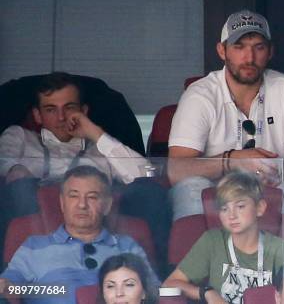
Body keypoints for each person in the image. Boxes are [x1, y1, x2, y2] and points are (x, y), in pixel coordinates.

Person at [167, 9, 284, 220]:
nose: (249, 58)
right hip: (216, 192)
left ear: (270, 51)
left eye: (258, 47)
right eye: (239, 47)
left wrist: (282, 168)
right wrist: (232, 161)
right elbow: (176, 170)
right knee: (191, 188)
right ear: (222, 51)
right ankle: (202, 253)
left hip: (267, 188)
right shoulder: (199, 94)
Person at [0, 72, 170, 264]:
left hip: (100, 232)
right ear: (37, 115)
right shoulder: (20, 137)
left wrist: (94, 132)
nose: (61, 117)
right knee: (19, 187)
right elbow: (5, 165)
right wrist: (18, 172)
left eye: (69, 108)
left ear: (84, 111)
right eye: (50, 109)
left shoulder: (101, 148)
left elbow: (145, 174)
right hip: (37, 237)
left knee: (151, 192)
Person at [0, 166, 158, 304]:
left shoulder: (127, 246)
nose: (82, 205)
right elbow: (9, 288)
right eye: (74, 196)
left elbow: (154, 293)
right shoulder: (33, 246)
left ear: (107, 205)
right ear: (62, 203)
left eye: (92, 197)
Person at [163, 170, 284, 304]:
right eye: (224, 209)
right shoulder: (213, 241)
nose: (232, 215)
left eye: (240, 206)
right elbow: (170, 284)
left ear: (260, 207)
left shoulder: (279, 248)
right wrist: (206, 293)